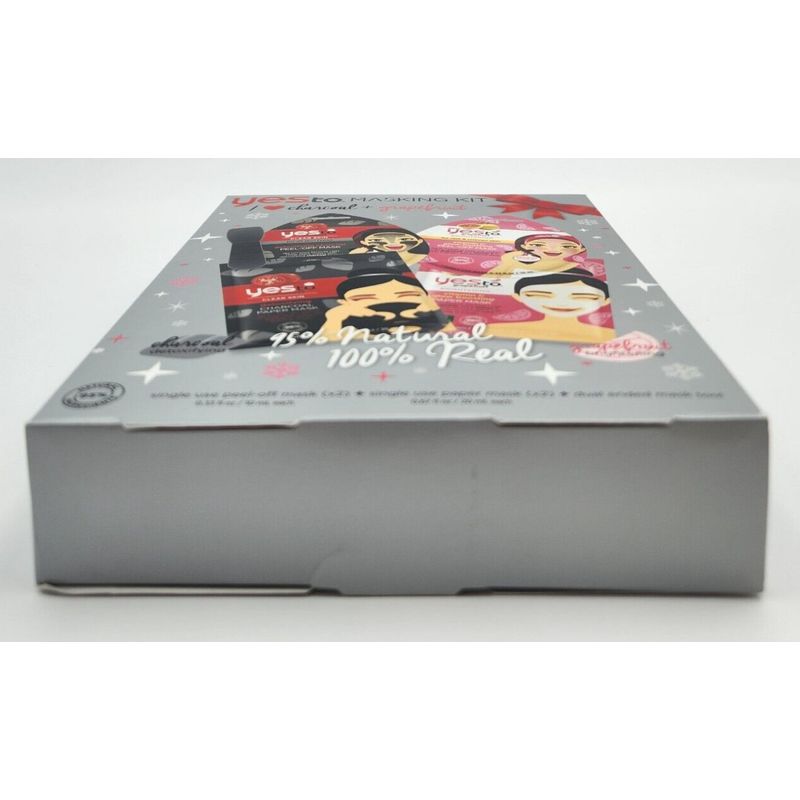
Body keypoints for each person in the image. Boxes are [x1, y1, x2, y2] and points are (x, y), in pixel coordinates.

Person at [485, 268, 615, 343]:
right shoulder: (492, 330)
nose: (561, 303)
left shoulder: (609, 336)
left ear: (606, 300)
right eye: (539, 294)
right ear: (517, 296)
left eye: (583, 296)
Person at [318, 271, 453, 340]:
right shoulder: (346, 329)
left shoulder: (440, 315)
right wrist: (334, 320)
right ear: (344, 303)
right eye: (364, 298)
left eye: (406, 295)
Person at [486, 232, 587, 277]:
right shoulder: (511, 261)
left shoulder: (578, 267)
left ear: (581, 249)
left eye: (567, 246)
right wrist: (509, 262)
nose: (552, 249)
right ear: (524, 247)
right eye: (538, 245)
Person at [349, 228, 428, 268]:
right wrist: (353, 257)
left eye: (404, 239)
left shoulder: (419, 257)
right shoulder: (366, 256)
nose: (393, 243)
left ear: (419, 241)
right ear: (364, 242)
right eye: (377, 240)